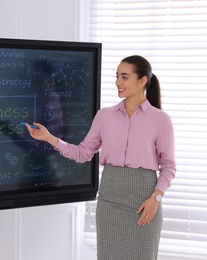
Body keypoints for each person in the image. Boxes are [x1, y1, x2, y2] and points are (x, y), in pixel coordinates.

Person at [25, 55, 176, 260]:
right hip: (110, 200)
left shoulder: (160, 120)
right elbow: (83, 153)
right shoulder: (104, 116)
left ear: (142, 81)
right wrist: (50, 138)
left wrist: (155, 198)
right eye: (117, 77)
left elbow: (168, 167)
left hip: (144, 201)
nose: (117, 83)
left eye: (124, 77)